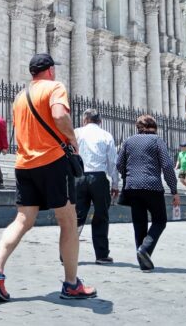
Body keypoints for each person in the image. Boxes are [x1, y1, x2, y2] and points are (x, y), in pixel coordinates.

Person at [0, 53, 96, 301]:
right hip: (53, 162)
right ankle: (71, 283)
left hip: (24, 165)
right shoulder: (55, 87)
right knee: (68, 220)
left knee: (22, 219)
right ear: (51, 70)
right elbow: (59, 115)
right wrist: (73, 140)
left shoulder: (20, 97)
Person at [117, 114, 180, 272]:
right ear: (154, 127)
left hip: (132, 187)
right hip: (152, 186)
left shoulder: (128, 141)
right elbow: (166, 166)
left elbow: (119, 164)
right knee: (160, 221)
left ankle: (143, 261)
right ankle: (144, 250)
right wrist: (174, 190)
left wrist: (129, 175)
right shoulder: (157, 141)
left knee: (139, 224)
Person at [74, 108, 119, 264]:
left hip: (79, 177)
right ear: (100, 121)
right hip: (99, 177)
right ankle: (101, 255)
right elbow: (112, 162)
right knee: (101, 216)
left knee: (76, 216)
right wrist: (115, 183)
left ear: (84, 120)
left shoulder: (76, 133)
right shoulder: (106, 135)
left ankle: (65, 254)